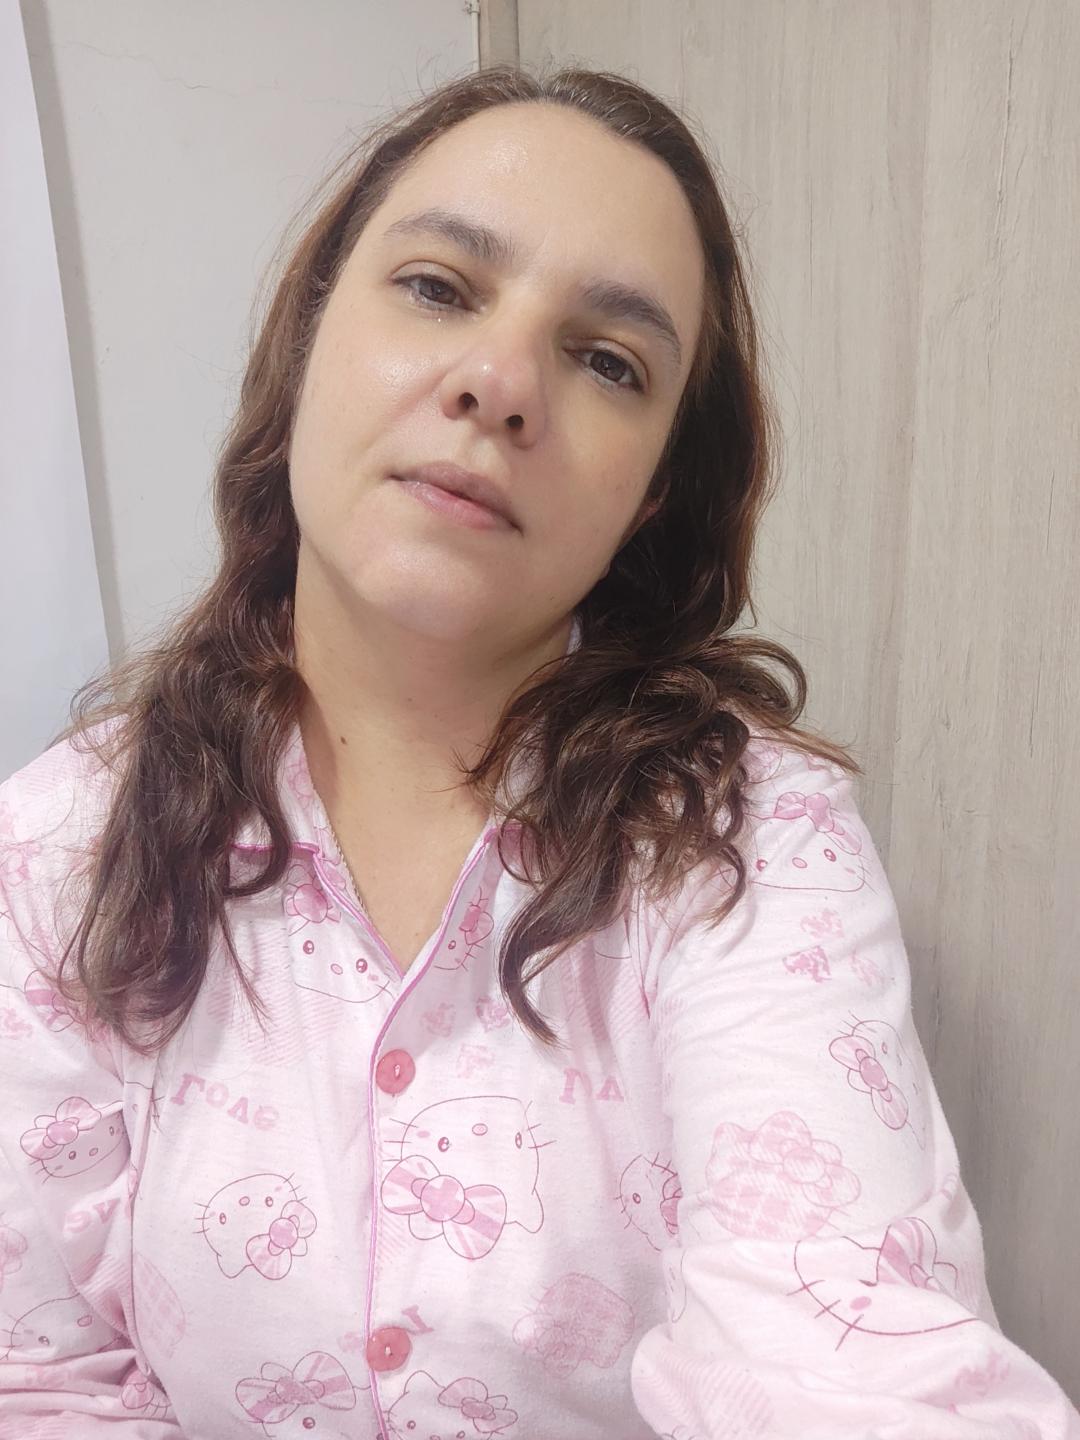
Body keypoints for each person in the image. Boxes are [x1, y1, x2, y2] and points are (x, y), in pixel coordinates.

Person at [0, 60, 1076, 1440]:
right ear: (310, 335)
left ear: (653, 496)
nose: (502, 385)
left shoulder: (747, 845)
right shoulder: (58, 851)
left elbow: (844, 1352)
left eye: (609, 361)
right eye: (438, 287)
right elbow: (36, 1380)